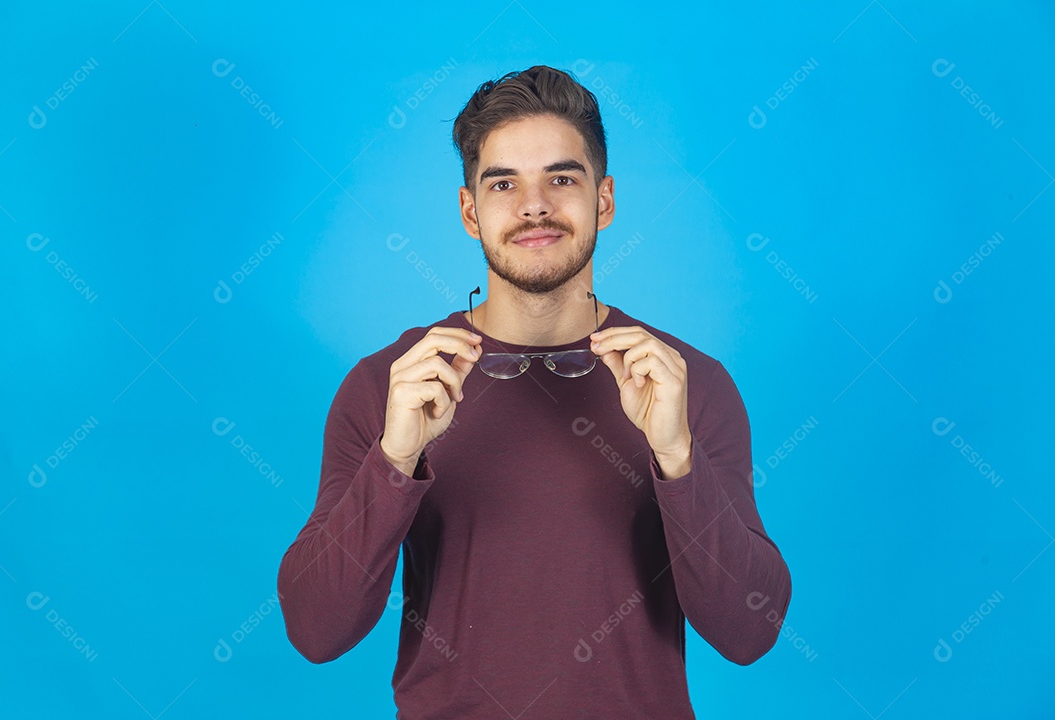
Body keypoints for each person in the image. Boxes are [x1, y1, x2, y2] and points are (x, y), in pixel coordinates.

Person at [277, 64, 792, 718]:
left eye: (562, 178)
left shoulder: (686, 383)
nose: (534, 206)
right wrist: (395, 459)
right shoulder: (391, 384)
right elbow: (317, 630)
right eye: (503, 184)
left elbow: (750, 632)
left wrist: (677, 457)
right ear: (470, 211)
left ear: (604, 200)